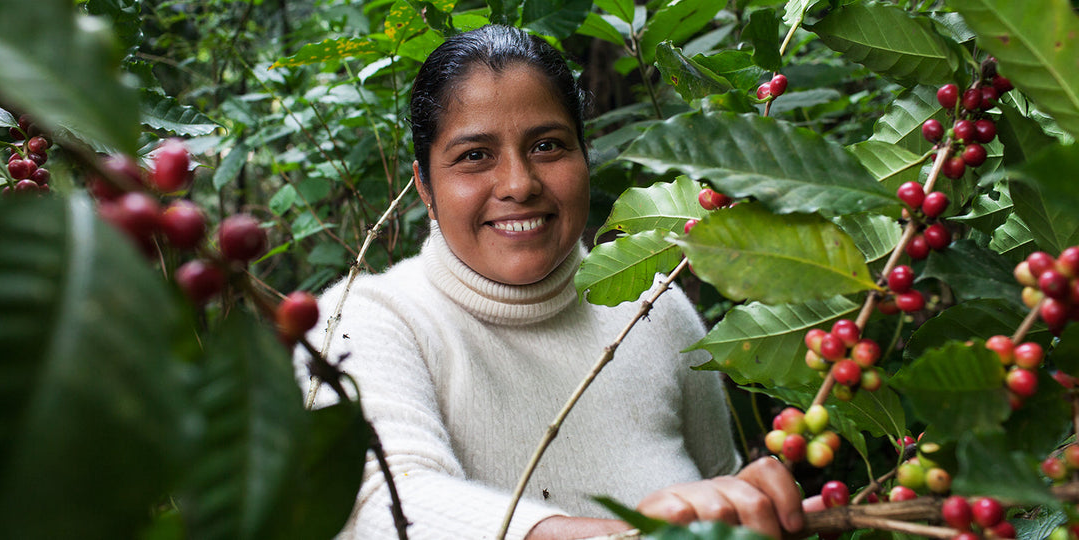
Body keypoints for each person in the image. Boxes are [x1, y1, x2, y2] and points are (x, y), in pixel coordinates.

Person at [295, 24, 812, 540]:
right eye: (474, 155)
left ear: (585, 158)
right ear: (426, 187)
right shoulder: (362, 320)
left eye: (547, 145)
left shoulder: (656, 310)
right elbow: (379, 507)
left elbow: (720, 496)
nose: (519, 184)